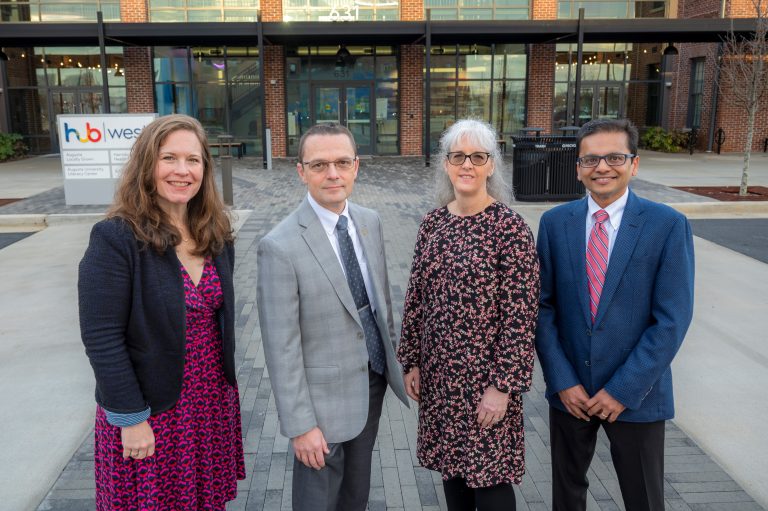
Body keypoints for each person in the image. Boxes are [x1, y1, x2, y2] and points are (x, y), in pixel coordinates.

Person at [78, 114, 245, 510]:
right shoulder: (116, 238)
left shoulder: (215, 233)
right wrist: (130, 417)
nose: (182, 171)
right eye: (169, 158)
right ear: (146, 164)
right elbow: (102, 338)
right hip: (150, 410)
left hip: (208, 405)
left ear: (206, 168)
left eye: (193, 160)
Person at [535, 118, 695, 511]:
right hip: (571, 394)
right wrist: (561, 381)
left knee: (643, 499)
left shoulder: (667, 225)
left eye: (614, 157)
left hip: (637, 395)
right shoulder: (555, 224)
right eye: (590, 159)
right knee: (566, 497)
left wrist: (622, 389)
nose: (602, 167)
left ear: (634, 164)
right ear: (577, 168)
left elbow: (672, 320)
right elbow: (541, 307)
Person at [256, 123, 409, 511]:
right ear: (301, 171)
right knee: (318, 502)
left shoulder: (369, 221)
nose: (333, 174)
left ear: (356, 166)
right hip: (319, 406)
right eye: (320, 164)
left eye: (342, 162)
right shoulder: (279, 246)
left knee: (355, 497)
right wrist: (301, 424)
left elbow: (379, 305)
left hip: (371, 385)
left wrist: (396, 364)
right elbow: (281, 346)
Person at [397, 119, 540, 511]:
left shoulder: (509, 229)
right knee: (454, 478)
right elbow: (416, 298)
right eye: (458, 156)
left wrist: (502, 387)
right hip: (442, 380)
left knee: (491, 484)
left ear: (491, 166)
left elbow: (520, 318)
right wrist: (411, 361)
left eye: (478, 156)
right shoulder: (433, 223)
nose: (467, 165)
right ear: (446, 163)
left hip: (485, 384)